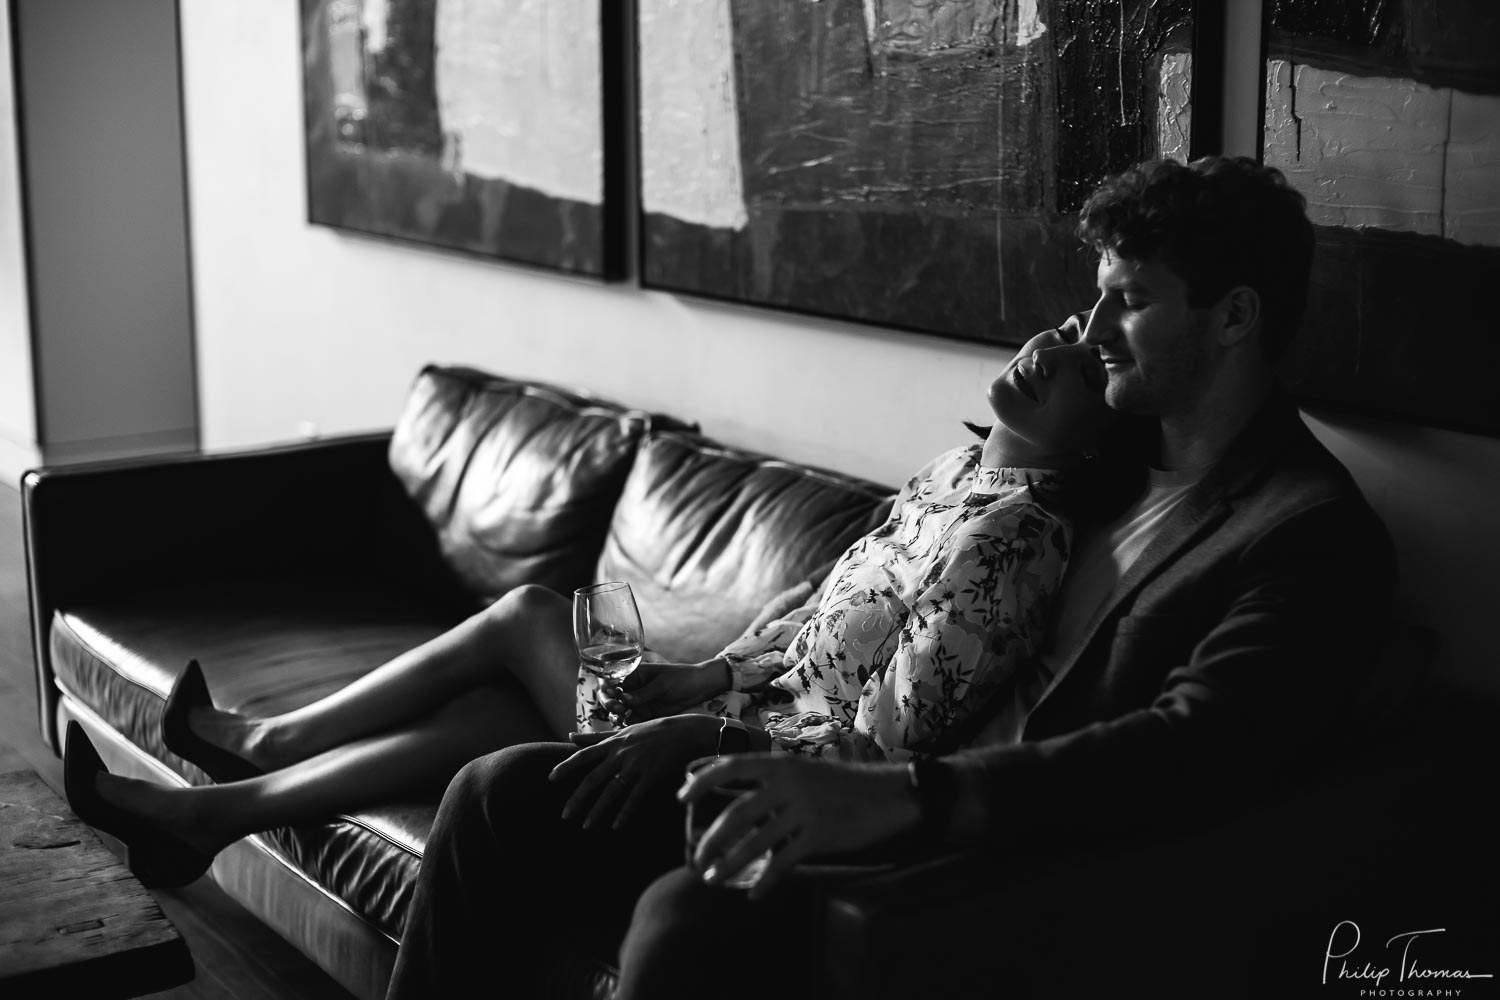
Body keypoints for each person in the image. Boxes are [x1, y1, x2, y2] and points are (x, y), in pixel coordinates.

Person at [382, 155, 1396, 999]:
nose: (1088, 329)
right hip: (864, 775)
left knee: (687, 916)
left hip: (991, 856)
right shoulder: (1095, 455)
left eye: (1128, 301)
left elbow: (1185, 751)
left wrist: (899, 797)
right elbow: (883, 580)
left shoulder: (1306, 535)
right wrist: (719, 700)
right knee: (504, 789)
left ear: (1235, 317)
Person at [61, 323, 1123, 890]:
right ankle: (210, 813)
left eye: (1085, 354)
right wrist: (706, 673)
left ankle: (258, 744)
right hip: (721, 716)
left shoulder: (1022, 538)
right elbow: (807, 629)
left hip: (742, 774)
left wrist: (703, 719)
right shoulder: (952, 477)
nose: (1052, 339)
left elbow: (890, 739)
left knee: (530, 614)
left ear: (1096, 434)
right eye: (1066, 319)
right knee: (493, 718)